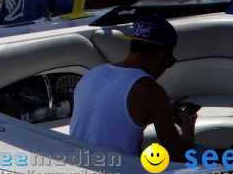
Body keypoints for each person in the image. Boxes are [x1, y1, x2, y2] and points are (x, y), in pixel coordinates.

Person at [70, 15, 197, 157]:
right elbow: (179, 156)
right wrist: (188, 132)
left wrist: (162, 114)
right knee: (202, 154)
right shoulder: (150, 90)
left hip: (81, 167)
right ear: (160, 55)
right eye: (169, 61)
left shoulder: (92, 74)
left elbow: (115, 118)